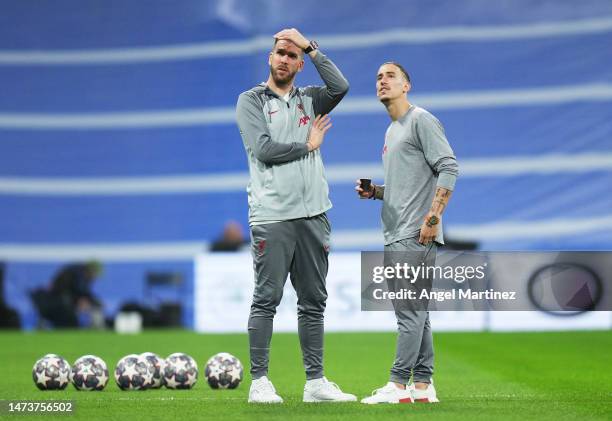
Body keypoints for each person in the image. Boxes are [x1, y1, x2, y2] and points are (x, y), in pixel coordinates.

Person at [236, 28, 355, 403]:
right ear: (269, 59)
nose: (284, 59)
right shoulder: (251, 100)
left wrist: (311, 45)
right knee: (266, 299)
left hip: (314, 214)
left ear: (300, 64)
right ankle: (259, 382)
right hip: (272, 214)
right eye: (279, 54)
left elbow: (341, 87)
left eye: (292, 55)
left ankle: (315, 383)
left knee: (313, 301)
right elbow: (264, 149)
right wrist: (309, 144)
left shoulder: (311, 99)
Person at [356, 62, 459, 404]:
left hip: (414, 234)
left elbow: (448, 166)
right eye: (378, 77)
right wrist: (377, 192)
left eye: (390, 76)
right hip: (396, 231)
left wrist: (432, 218)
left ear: (407, 85)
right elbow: (405, 186)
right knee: (418, 312)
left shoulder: (421, 120)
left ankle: (398, 386)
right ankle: (423, 386)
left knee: (409, 313)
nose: (381, 81)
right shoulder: (392, 131)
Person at [32, 260, 104, 328]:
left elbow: (84, 295)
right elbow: (61, 292)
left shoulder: (81, 279)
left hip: (63, 305)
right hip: (58, 306)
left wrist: (87, 302)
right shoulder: (72, 275)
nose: (94, 278)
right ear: (90, 270)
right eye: (94, 274)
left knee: (97, 304)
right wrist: (78, 302)